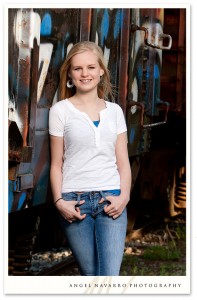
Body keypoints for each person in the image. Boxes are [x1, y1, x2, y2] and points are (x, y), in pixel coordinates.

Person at [49, 41, 132, 276]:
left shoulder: (115, 111)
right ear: (70, 74)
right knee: (91, 277)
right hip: (75, 203)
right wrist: (59, 202)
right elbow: (56, 164)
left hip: (111, 201)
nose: (85, 74)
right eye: (77, 69)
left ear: (101, 71)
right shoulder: (60, 111)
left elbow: (123, 163)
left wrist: (123, 197)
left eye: (91, 67)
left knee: (108, 278)